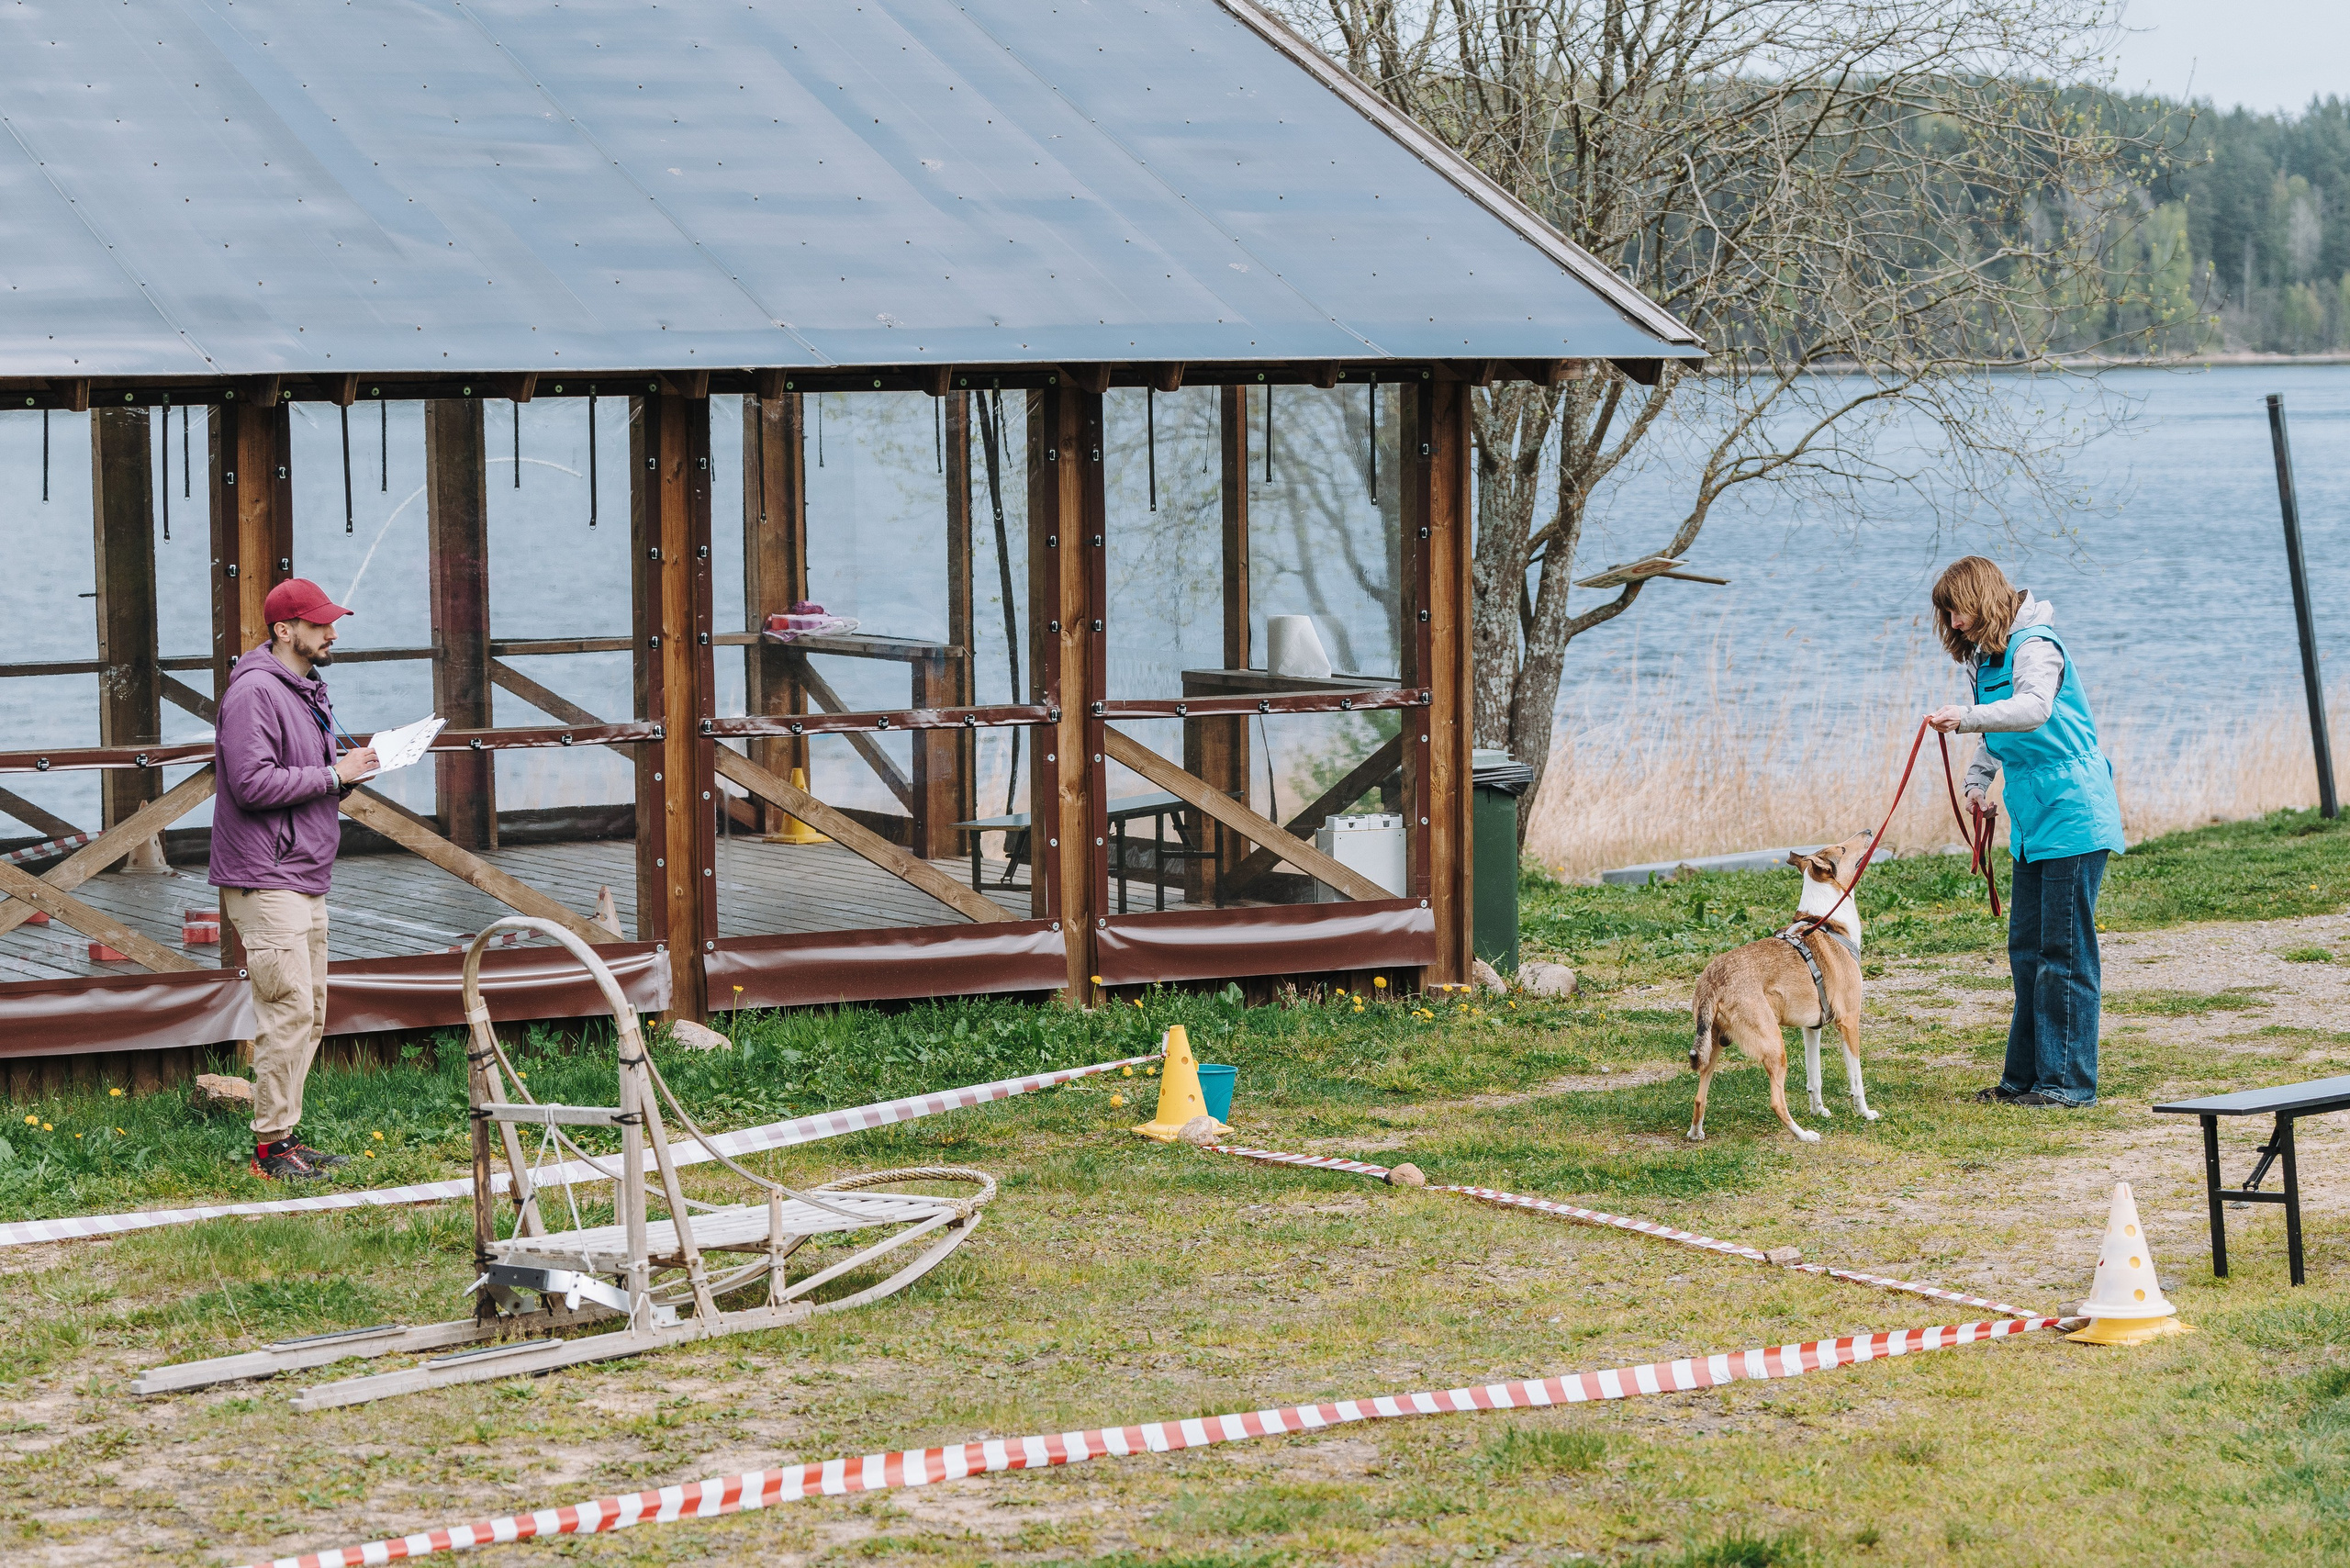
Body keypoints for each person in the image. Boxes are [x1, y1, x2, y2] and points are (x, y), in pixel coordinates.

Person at [1925, 556, 2125, 1109]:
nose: (1954, 623)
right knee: (2027, 953)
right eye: (1947, 614)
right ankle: (2023, 1080)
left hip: (2074, 813)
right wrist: (1976, 782)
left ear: (1982, 598)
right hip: (2033, 817)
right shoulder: (1987, 655)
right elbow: (2000, 732)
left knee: (2064, 953)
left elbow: (2033, 709)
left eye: (1958, 610)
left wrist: (1965, 716)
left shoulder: (2037, 645)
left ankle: (2067, 1085)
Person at [211, 578, 378, 1180]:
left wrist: (346, 775)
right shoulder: (255, 692)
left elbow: (305, 777)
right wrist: (335, 776)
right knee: (287, 1010)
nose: (332, 633)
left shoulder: (305, 689)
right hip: (265, 875)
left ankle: (283, 1137)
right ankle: (268, 1151)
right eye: (319, 624)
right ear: (284, 630)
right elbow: (251, 784)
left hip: (303, 872)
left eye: (332, 623)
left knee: (309, 1011)